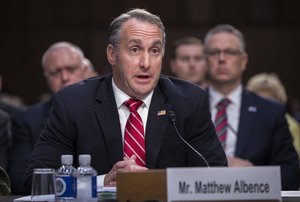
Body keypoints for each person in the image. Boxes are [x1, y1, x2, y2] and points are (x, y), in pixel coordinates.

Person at [22, 8, 227, 194]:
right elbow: (35, 181)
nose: (146, 63)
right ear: (112, 54)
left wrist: (156, 183)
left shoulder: (189, 101)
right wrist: (101, 182)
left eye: (154, 51)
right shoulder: (73, 104)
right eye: (135, 49)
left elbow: (217, 179)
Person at [204, 24, 300, 190]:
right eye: (214, 53)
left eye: (230, 52)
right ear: (206, 61)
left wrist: (252, 176)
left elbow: (291, 174)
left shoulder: (270, 112)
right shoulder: (185, 107)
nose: (221, 58)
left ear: (243, 61)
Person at [8, 41, 96, 194]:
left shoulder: (105, 111)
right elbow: (19, 181)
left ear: (85, 70)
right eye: (56, 72)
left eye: (71, 69)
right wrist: (81, 183)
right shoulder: (25, 121)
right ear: (46, 77)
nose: (64, 78)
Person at [246, 72, 300, 157]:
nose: (264, 107)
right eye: (259, 101)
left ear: (279, 101)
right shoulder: (243, 120)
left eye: (269, 102)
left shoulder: (290, 125)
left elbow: (294, 162)